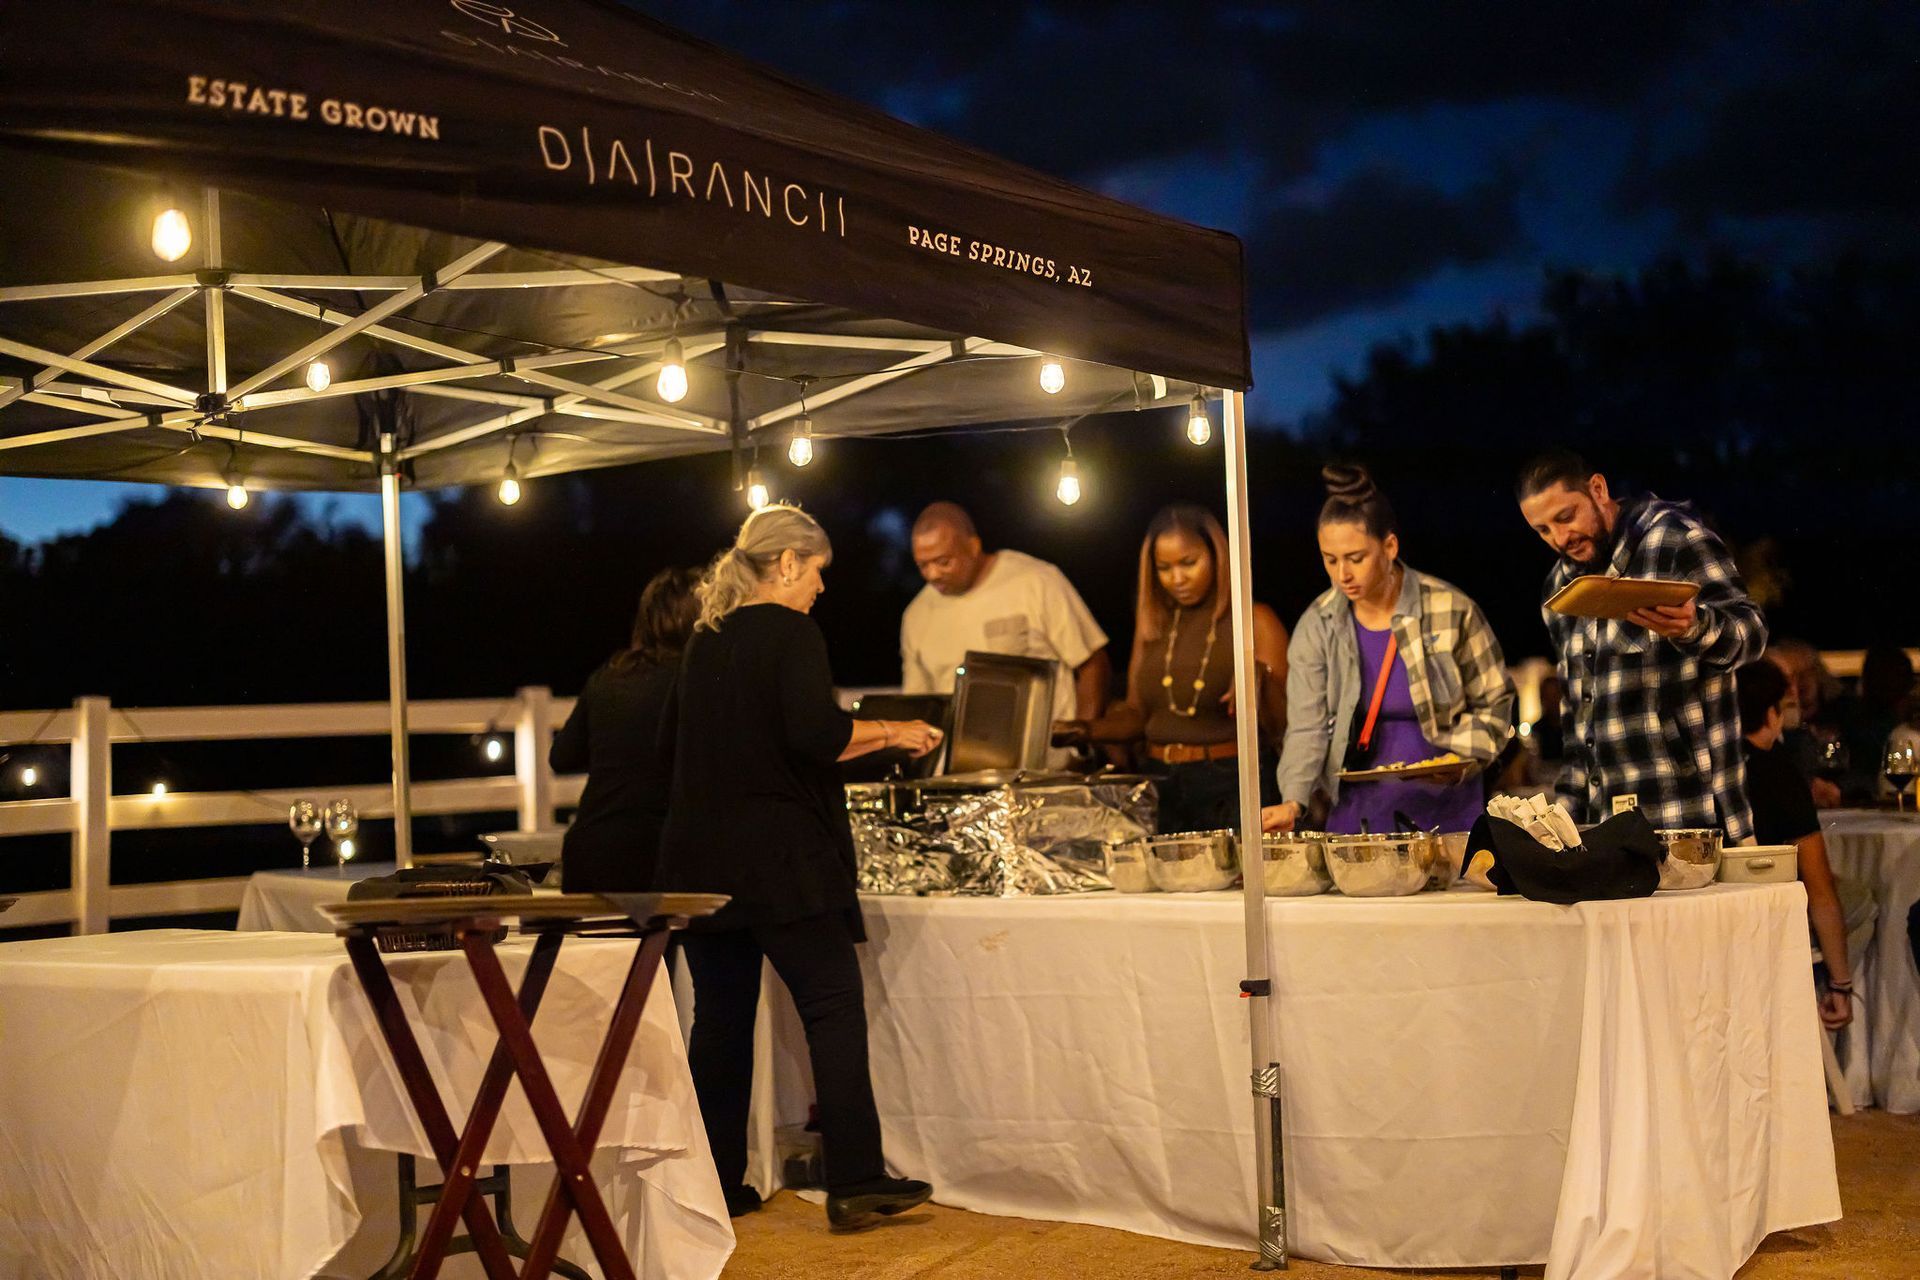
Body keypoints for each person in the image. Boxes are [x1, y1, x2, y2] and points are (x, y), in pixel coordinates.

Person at [654, 504, 940, 1226]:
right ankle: (855, 1179)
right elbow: (815, 734)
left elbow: (677, 748)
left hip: (699, 861)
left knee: (717, 1025)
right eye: (816, 571)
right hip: (781, 859)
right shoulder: (791, 630)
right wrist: (893, 731)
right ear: (785, 564)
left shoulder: (703, 640)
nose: (820, 587)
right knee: (832, 1007)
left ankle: (716, 1188)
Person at [1516, 450, 1767, 840]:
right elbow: (1578, 722)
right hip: (1605, 827)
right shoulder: (1558, 586)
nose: (1560, 538)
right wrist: (1563, 824)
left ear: (1598, 489)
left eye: (1566, 517)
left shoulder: (1675, 540)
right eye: (1543, 530)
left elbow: (1752, 634)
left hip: (1692, 818)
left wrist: (1696, 627)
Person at [1263, 465, 1514, 836]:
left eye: (1356, 557)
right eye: (1330, 559)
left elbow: (1496, 703)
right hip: (1358, 816)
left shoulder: (1451, 608)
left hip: (1450, 811)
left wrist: (1465, 760)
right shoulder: (1318, 624)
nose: (1342, 574)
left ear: (1390, 547)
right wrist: (1293, 800)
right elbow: (1306, 727)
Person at [1053, 504, 1289, 832]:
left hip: (1232, 780)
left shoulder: (1255, 619)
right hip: (1161, 783)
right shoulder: (1155, 624)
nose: (1177, 579)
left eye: (1189, 563)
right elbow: (1138, 714)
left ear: (1217, 555)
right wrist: (1084, 730)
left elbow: (1285, 725)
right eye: (1164, 568)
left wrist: (1258, 673)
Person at [900, 501, 1111, 768]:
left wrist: (1081, 746)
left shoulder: (1035, 581)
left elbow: (1093, 663)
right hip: (958, 777)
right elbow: (919, 707)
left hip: (1045, 771)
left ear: (973, 547)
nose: (933, 574)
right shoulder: (916, 615)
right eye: (923, 565)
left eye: (943, 562)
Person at [548, 566, 700, 893]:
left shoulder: (609, 675)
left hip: (588, 856)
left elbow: (561, 757)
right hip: (657, 860)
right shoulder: (694, 680)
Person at [1737, 660, 1859, 1030]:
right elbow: (1820, 890)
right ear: (1772, 713)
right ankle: (1834, 1002)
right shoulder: (1780, 774)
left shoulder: (1715, 769)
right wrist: (1842, 982)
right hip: (1774, 917)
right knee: (1864, 899)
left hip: (1733, 916)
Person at [1765, 638, 1844, 808]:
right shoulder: (1753, 744)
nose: (1793, 689)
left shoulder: (1837, 716)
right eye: (1781, 681)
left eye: (1794, 678)